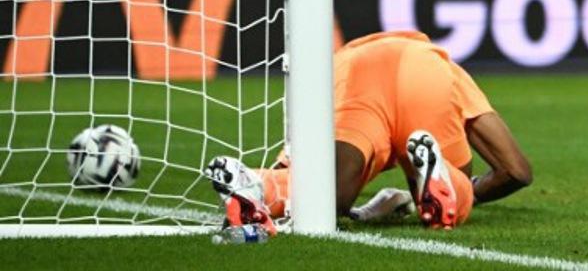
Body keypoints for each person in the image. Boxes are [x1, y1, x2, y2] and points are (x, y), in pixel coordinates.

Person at [206, 31, 532, 230]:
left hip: (356, 76)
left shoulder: (342, 60)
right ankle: (440, 180)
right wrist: (471, 191)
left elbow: (295, 153)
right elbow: (516, 171)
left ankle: (260, 186)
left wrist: (281, 171)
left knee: (324, 198)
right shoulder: (443, 64)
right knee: (455, 188)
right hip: (424, 74)